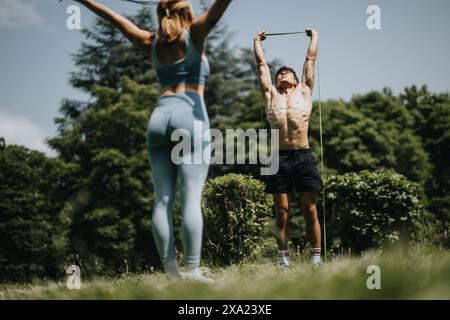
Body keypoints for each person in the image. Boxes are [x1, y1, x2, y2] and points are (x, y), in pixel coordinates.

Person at [76, 0, 233, 281]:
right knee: (190, 199)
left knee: (162, 199)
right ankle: (193, 270)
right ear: (186, 11)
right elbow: (221, 5)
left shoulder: (149, 40)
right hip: (190, 117)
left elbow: (112, 18)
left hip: (159, 120)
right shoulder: (195, 32)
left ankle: (172, 272)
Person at [253, 29, 323, 267]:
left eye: (287, 72)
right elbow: (262, 64)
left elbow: (310, 59)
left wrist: (314, 36)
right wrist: (256, 41)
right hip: (279, 159)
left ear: (295, 80)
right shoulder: (270, 94)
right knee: (281, 212)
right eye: (280, 73)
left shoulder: (304, 91)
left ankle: (316, 257)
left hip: (303, 156)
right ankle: (283, 259)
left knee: (310, 209)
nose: (283, 74)